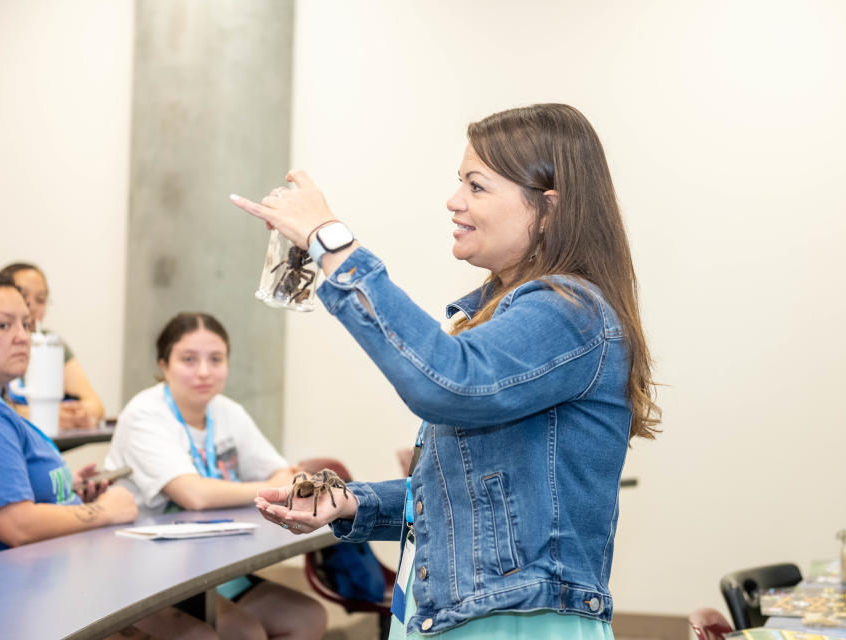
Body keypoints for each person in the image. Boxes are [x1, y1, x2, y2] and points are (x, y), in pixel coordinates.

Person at [233, 104, 661, 638]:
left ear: (548, 209)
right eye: (460, 183)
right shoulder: (513, 314)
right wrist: (349, 503)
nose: (454, 201)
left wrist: (331, 240)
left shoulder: (568, 311)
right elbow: (463, 503)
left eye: (477, 187)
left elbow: (446, 382)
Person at [0, 271, 247, 640]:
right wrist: (104, 511)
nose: (21, 336)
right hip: (3, 605)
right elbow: (17, 525)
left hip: (42, 580)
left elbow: (4, 492)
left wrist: (65, 488)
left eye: (26, 324)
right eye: (2, 324)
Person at [105, 311, 327, 640]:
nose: (204, 372)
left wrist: (279, 482)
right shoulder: (144, 414)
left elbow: (285, 472)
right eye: (189, 359)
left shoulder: (226, 411)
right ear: (163, 364)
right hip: (148, 572)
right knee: (243, 633)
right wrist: (273, 486)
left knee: (308, 617)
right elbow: (194, 495)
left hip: (210, 562)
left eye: (216, 359)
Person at [0, 262, 104, 430]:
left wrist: (78, 414)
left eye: (40, 300)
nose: (31, 307)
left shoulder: (50, 343)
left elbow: (95, 405)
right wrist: (39, 415)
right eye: (22, 296)